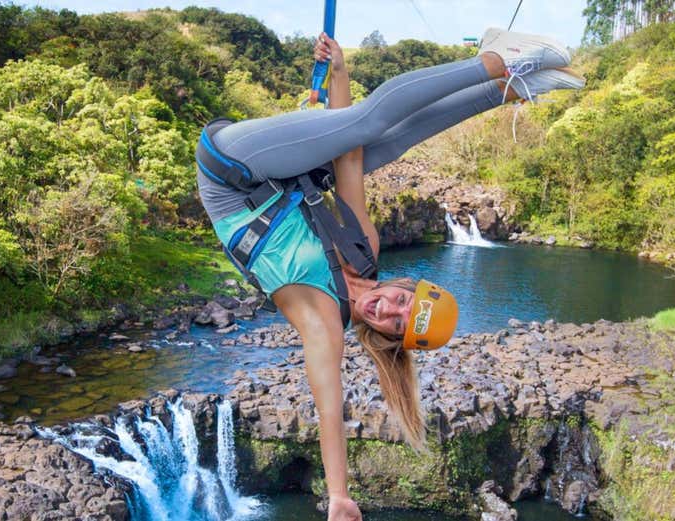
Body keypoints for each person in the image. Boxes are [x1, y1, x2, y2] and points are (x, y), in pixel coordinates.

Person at [197, 27, 584, 521]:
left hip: (230, 173)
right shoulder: (365, 248)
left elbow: (328, 407)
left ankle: (498, 67)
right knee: (383, 142)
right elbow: (350, 155)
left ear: (382, 335)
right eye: (405, 302)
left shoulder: (322, 318)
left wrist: (338, 494)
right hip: (278, 174)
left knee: (368, 126)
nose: (389, 310)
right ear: (406, 285)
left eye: (395, 324)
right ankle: (502, 81)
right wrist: (341, 73)